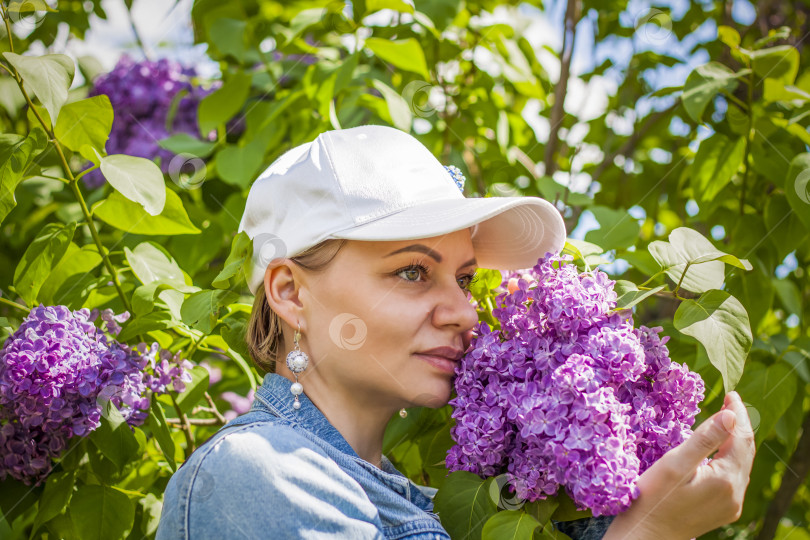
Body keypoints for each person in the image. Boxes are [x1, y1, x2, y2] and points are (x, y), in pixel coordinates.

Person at [155, 125, 755, 540]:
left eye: (465, 279)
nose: (466, 313)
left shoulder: (392, 491)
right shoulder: (261, 476)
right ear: (290, 292)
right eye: (412, 272)